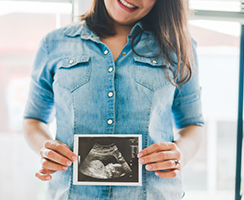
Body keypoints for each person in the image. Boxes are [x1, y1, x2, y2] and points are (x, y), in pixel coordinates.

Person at [23, 0, 204, 199]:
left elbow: (192, 124)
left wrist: (180, 154)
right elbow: (34, 119)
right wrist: (46, 148)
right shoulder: (53, 44)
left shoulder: (177, 46)